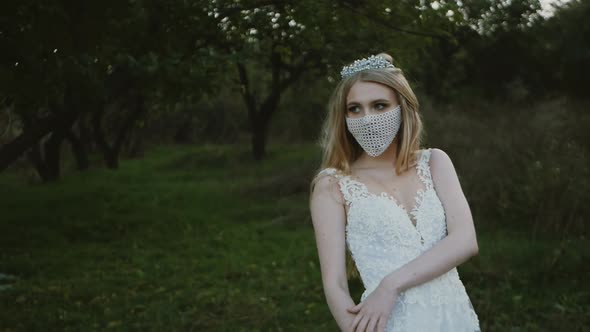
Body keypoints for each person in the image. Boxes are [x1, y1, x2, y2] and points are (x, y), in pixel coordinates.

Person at [308, 53, 481, 332]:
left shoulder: (435, 162)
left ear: (403, 107)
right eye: (355, 109)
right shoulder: (333, 185)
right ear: (344, 117)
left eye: (379, 105)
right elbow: (335, 282)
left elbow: (465, 240)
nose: (367, 119)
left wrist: (391, 285)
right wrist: (352, 326)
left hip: (454, 317)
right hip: (388, 323)